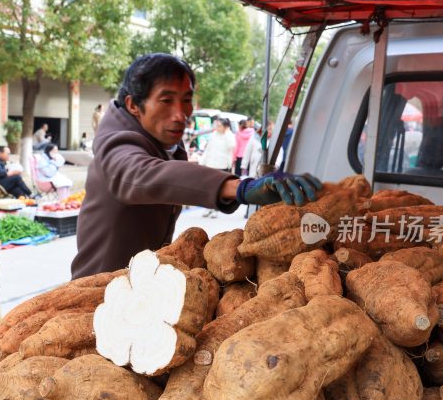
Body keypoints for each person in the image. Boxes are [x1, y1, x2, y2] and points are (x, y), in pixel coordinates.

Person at [71, 53, 322, 279]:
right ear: (133, 105)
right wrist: (239, 187)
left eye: (186, 100)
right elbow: (141, 175)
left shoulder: (163, 143)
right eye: (166, 100)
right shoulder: (114, 146)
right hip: (97, 288)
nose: (181, 114)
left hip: (140, 284)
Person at [200, 117, 237, 218]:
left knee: (218, 189)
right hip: (210, 164)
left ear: (226, 127)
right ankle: (208, 207)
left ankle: (216, 208)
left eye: (219, 126)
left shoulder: (229, 136)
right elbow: (208, 149)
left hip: (222, 165)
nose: (217, 127)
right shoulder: (213, 135)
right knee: (208, 187)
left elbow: (231, 146)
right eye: (216, 125)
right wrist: (203, 161)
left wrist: (226, 133)